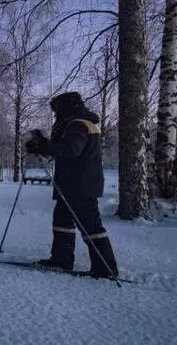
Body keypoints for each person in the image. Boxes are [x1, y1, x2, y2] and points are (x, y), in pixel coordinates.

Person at [25, 91, 119, 279]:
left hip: (80, 186)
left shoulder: (77, 124)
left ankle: (105, 269)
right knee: (62, 222)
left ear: (65, 107)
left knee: (90, 226)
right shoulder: (81, 123)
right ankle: (61, 260)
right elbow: (66, 147)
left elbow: (71, 150)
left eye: (57, 109)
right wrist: (43, 143)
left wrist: (43, 146)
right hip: (73, 184)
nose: (55, 114)